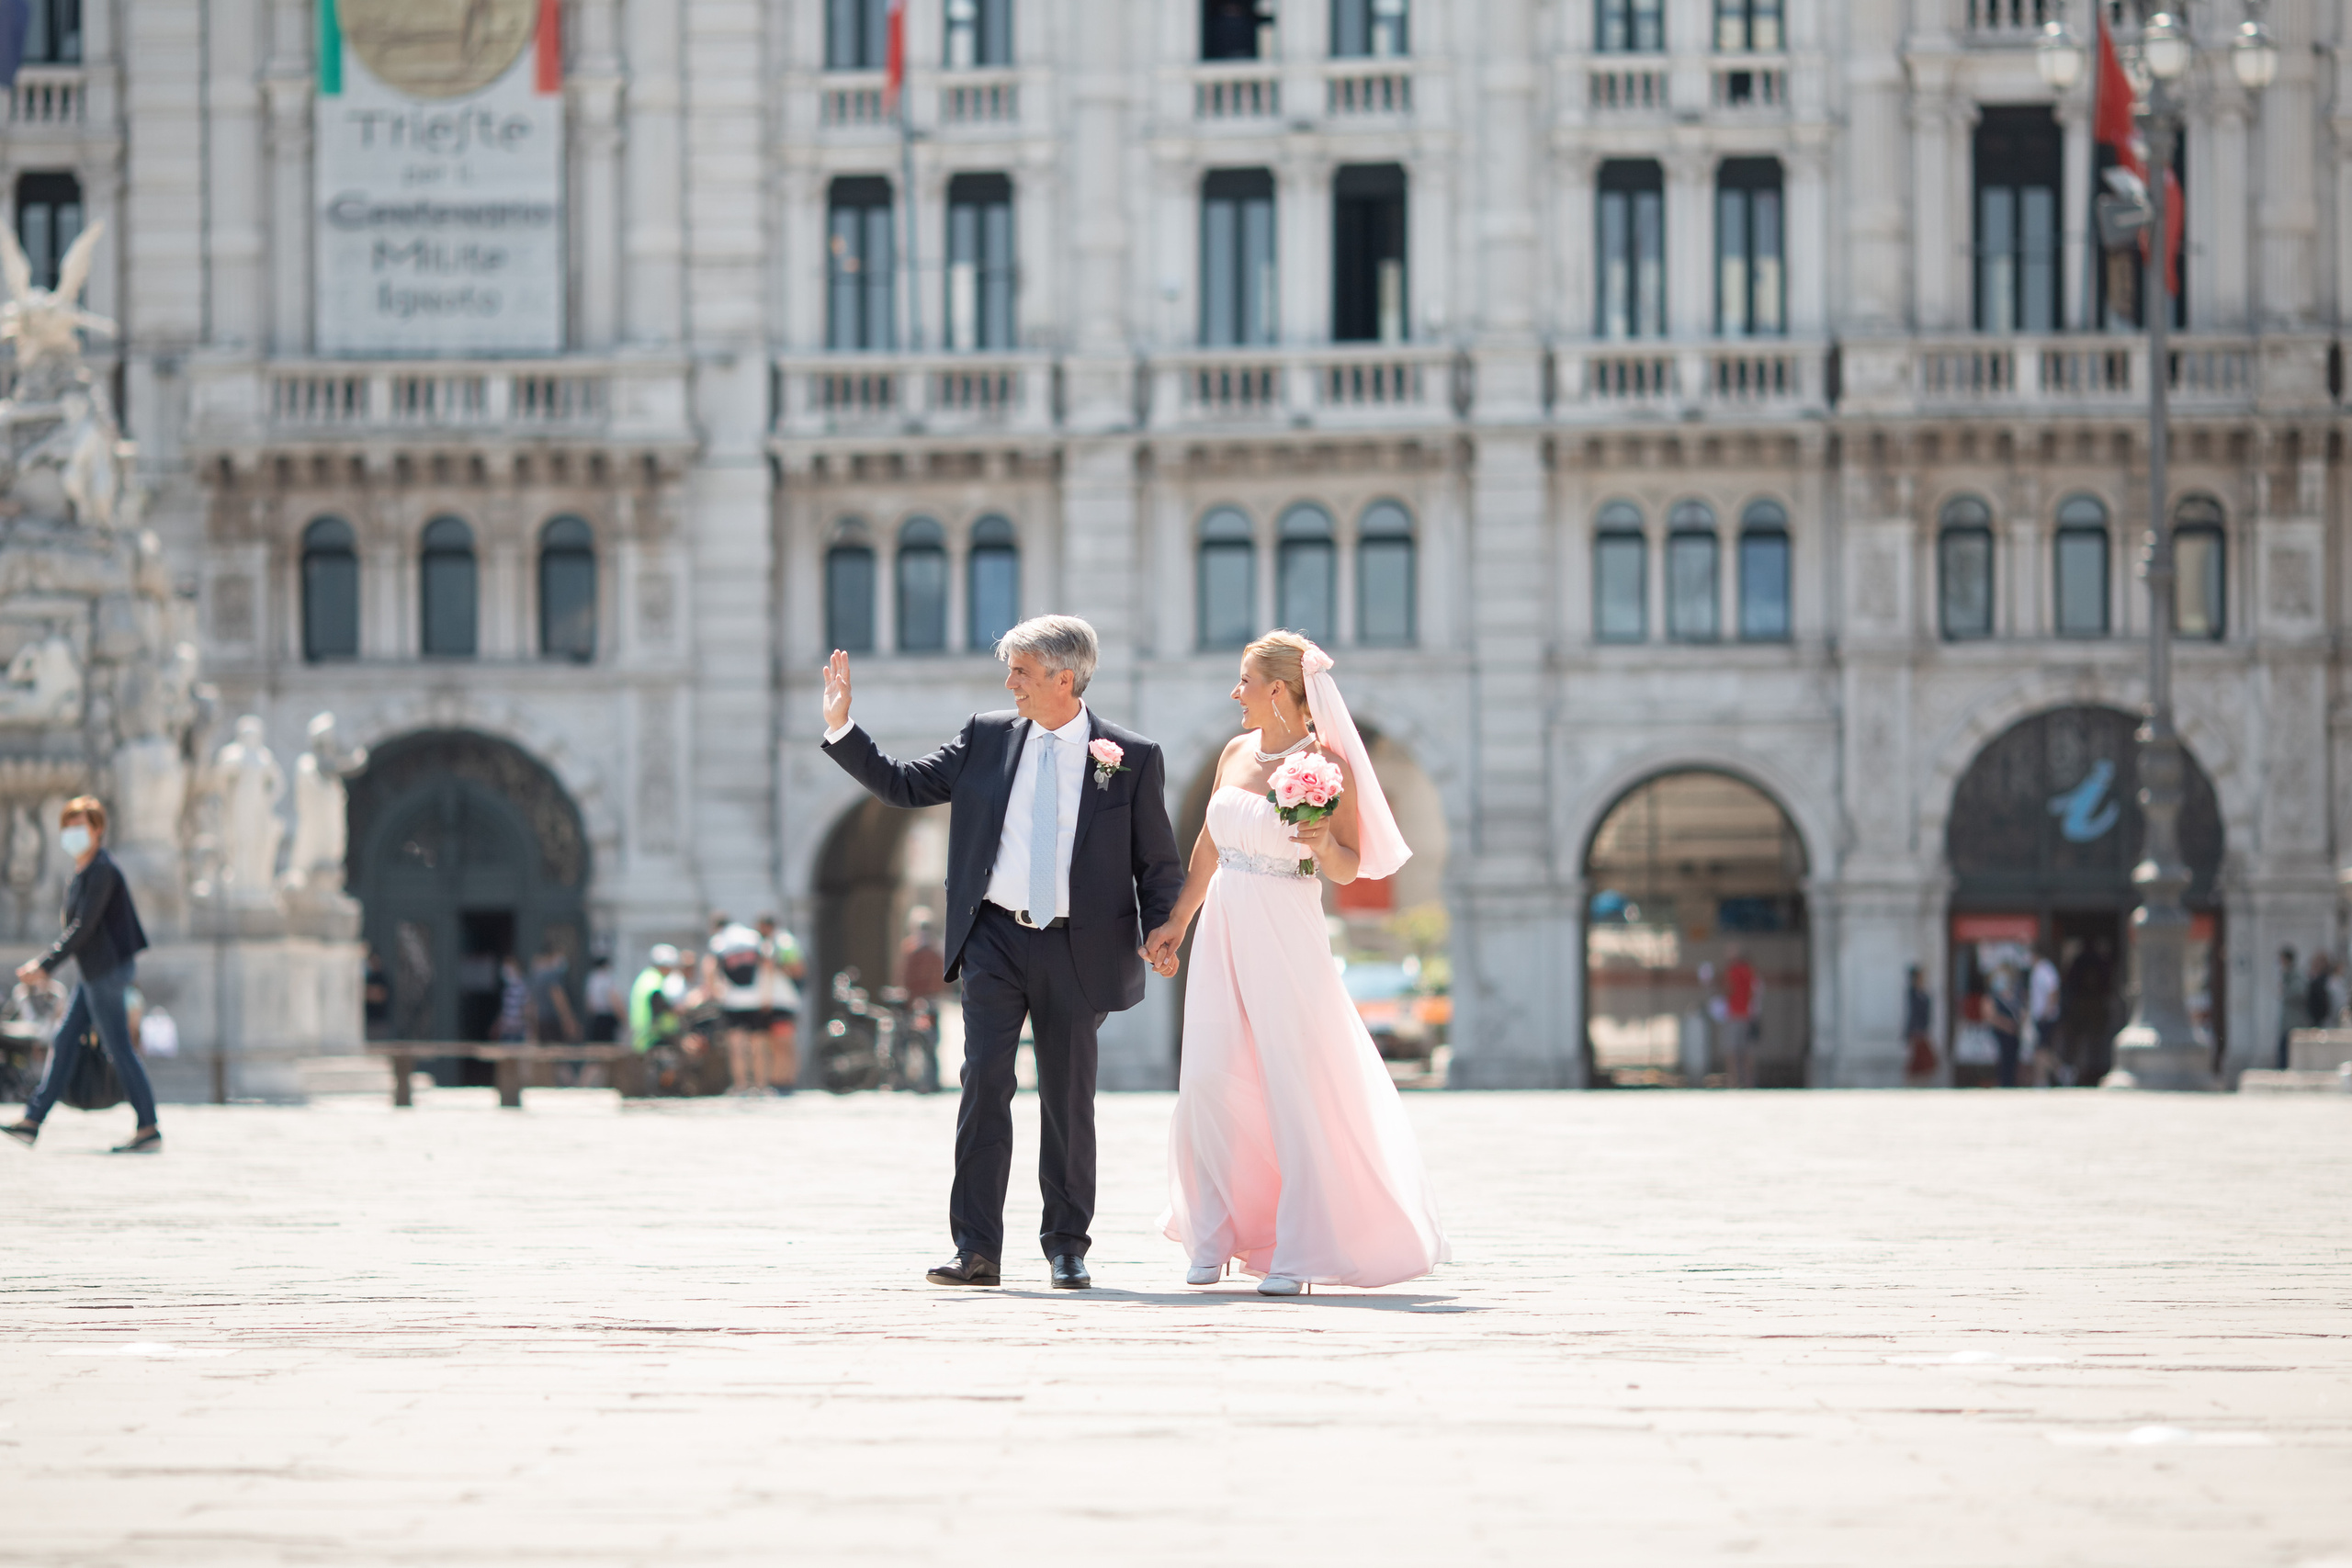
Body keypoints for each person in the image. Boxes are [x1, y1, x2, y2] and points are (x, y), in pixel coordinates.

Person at [821, 615, 1183, 1290]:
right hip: (994, 938)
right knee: (983, 1081)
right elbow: (904, 784)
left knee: (1067, 1097)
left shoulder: (1130, 756)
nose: (1009, 682)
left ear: (1063, 678)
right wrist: (843, 727)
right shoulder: (985, 737)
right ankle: (976, 1248)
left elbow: (1157, 863)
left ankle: (1067, 1245)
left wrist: (1163, 928)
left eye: (1021, 670)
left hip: (1080, 947)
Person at [1145, 632, 1448, 1296]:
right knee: (1208, 1077)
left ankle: (1300, 1247)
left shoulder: (1327, 764)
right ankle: (1213, 1230)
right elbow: (1209, 842)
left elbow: (1345, 863)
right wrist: (1177, 920)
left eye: (1245, 681)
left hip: (1286, 924)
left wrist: (1317, 839)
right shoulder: (1233, 752)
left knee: (1289, 1081)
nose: (1235, 694)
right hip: (1224, 920)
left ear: (1278, 689)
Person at [5, 796, 161, 1154]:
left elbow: (83, 927)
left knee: (119, 1047)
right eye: (69, 827)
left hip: (106, 972)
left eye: (81, 827)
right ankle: (32, 1121)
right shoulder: (82, 872)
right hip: (93, 973)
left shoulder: (103, 869)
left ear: (98, 829)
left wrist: (44, 965)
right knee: (64, 1041)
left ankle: (149, 1126)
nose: (74, 834)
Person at [708, 918, 775, 1095]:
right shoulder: (753, 937)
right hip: (756, 999)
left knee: (736, 1047)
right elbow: (768, 963)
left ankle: (740, 1085)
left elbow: (710, 967)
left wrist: (715, 991)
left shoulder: (720, 941)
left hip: (732, 1001)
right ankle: (762, 1085)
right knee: (759, 1045)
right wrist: (767, 994)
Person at [756, 915, 806, 1094]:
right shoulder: (783, 941)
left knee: (780, 1043)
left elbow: (798, 968)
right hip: (785, 1000)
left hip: (781, 1000)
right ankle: (786, 1080)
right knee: (784, 1043)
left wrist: (777, 966)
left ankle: (781, 1081)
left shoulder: (781, 942)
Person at [1722, 947, 1759, 1089]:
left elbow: (1728, 990)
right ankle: (1749, 1082)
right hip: (1748, 1016)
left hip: (1734, 1014)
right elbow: (1754, 993)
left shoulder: (1731, 971)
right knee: (1747, 1051)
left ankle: (1733, 1082)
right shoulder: (1750, 972)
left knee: (1731, 1051)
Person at [527, 942, 580, 1045]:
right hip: (552, 1021)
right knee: (556, 1055)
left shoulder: (536, 975)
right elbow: (557, 996)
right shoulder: (552, 974)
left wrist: (533, 1026)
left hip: (541, 1022)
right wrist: (568, 1019)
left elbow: (532, 1003)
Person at [2027, 946, 2063, 1087]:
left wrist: (2047, 1011)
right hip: (2039, 1016)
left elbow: (2053, 991)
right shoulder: (2037, 970)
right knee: (2039, 1050)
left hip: (2046, 1017)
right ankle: (2042, 1080)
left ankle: (2061, 1071)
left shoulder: (2046, 969)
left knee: (2041, 1050)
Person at [1988, 966, 2024, 1089]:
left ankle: (2011, 1084)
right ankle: (2003, 1084)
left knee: (2012, 1063)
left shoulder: (2013, 996)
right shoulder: (1992, 997)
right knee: (2002, 1063)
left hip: (2014, 1035)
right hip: (2001, 1035)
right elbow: (1990, 1016)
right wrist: (2006, 1025)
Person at [1903, 964, 1937, 1086]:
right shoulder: (1912, 993)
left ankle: (1922, 1085)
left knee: (1927, 1062)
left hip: (1923, 1030)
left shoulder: (1923, 993)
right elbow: (1912, 1014)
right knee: (1914, 1062)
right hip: (1916, 1032)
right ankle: (1910, 1086)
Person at [2277, 946, 2306, 1068]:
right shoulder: (2287, 975)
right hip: (2288, 1022)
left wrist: (2285, 991)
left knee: (2287, 1054)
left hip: (2294, 1023)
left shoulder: (2295, 975)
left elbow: (2300, 992)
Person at [583, 954, 620, 1044]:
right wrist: (624, 1019)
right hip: (606, 1018)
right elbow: (614, 999)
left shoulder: (591, 979)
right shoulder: (606, 978)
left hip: (596, 1019)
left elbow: (588, 1003)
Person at [493, 956, 530, 1044]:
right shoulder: (507, 990)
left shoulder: (523, 987)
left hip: (518, 1032)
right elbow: (505, 1010)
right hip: (507, 1031)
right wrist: (498, 1025)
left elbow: (527, 1009)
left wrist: (530, 1033)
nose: (506, 972)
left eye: (508, 968)